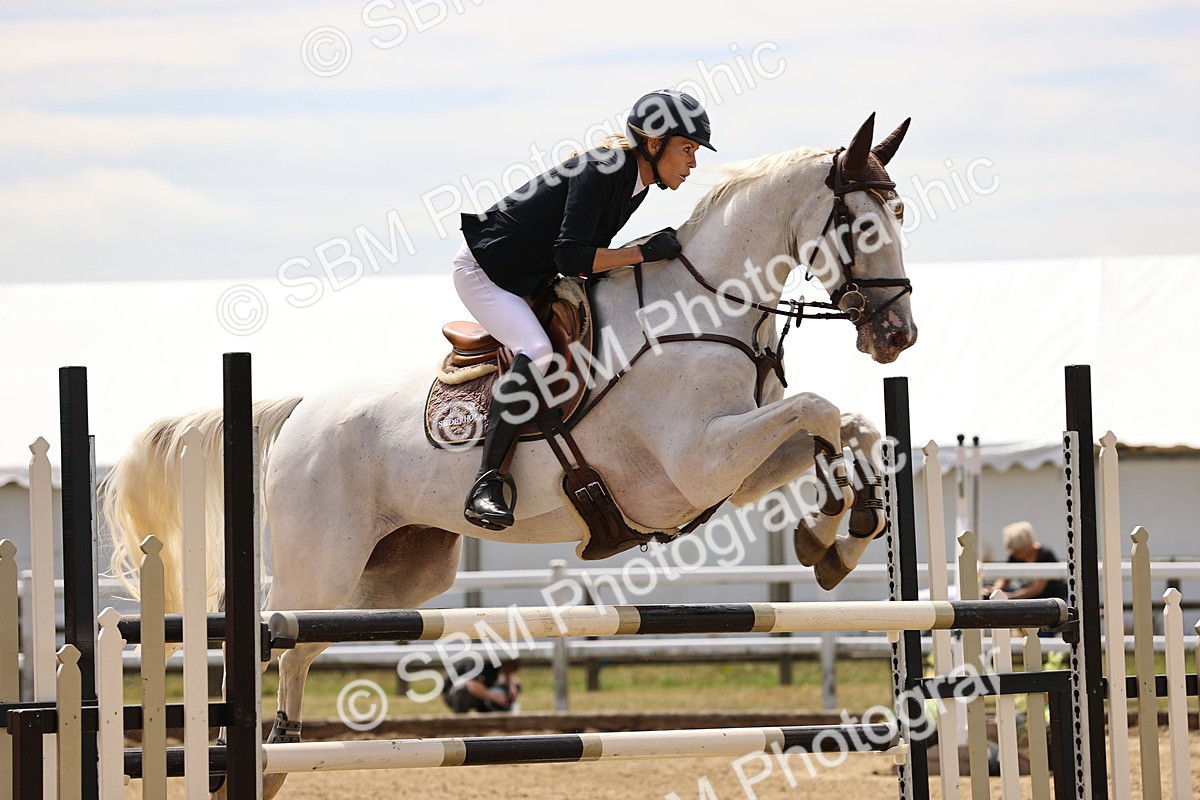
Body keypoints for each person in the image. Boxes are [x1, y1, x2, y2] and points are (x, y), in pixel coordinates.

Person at [453, 89, 716, 531]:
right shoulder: (604, 169)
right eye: (687, 149)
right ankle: (487, 484)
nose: (692, 163)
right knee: (537, 350)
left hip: (531, 278)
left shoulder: (636, 186)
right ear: (654, 143)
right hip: (487, 272)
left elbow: (584, 258)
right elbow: (572, 257)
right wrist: (643, 253)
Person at [985, 521, 1069, 601]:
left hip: (1050, 597)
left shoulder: (1045, 554)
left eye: (1017, 550)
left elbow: (1038, 588)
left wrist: (1012, 596)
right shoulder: (1015, 556)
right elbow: (1004, 578)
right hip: (1028, 596)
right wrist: (994, 590)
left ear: (1026, 546)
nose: (1014, 553)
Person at [442, 659, 522, 714]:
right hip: (453, 692)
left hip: (482, 687)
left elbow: (508, 670)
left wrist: (511, 686)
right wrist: (495, 697)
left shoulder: (498, 661)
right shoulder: (480, 658)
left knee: (516, 684)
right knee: (463, 690)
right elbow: (471, 684)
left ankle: (494, 720)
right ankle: (459, 722)